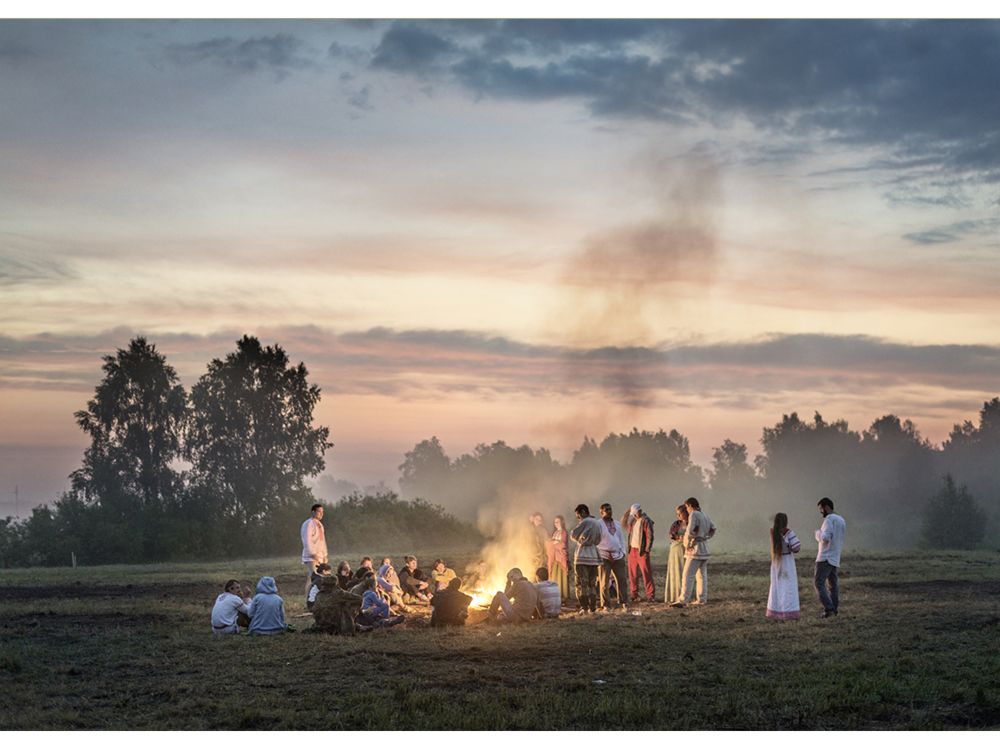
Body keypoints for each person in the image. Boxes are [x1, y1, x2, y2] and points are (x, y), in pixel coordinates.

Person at [671, 497, 717, 607]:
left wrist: (687, 544)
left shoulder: (694, 514)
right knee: (701, 576)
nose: (686, 510)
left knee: (687, 575)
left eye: (686, 507)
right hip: (704, 547)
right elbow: (713, 528)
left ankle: (683, 600)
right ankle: (701, 599)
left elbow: (690, 531)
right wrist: (706, 537)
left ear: (690, 506)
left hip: (695, 549)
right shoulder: (704, 514)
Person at [814, 497, 847, 618]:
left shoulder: (829, 519)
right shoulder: (841, 520)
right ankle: (834, 609)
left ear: (826, 507)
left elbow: (825, 538)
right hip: (835, 556)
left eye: (821, 509)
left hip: (825, 557)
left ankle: (829, 609)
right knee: (833, 585)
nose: (821, 512)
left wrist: (818, 534)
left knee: (819, 583)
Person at [766, 512, 802, 620]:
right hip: (787, 562)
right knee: (788, 587)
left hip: (776, 562)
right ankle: (788, 612)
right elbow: (797, 548)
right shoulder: (788, 532)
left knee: (776, 587)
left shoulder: (773, 532)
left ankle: (776, 611)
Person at [569, 504, 603, 614]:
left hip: (582, 556)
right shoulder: (597, 522)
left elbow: (573, 534)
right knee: (592, 584)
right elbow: (599, 539)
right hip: (594, 555)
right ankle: (593, 607)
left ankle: (584, 607)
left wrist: (581, 540)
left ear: (583, 512)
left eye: (578, 516)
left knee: (581, 583)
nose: (578, 518)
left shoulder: (585, 522)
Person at [597, 502, 630, 611]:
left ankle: (624, 602)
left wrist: (623, 553)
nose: (609, 511)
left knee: (622, 580)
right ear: (601, 513)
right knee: (604, 582)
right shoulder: (598, 524)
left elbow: (621, 538)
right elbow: (596, 540)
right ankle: (606, 605)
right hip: (604, 555)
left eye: (610, 509)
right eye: (606, 510)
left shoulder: (616, 523)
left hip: (617, 555)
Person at [624, 503, 655, 602]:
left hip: (641, 550)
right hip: (632, 550)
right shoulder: (633, 521)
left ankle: (650, 595)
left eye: (635, 513)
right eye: (633, 513)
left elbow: (650, 536)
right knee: (632, 574)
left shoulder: (646, 521)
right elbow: (624, 524)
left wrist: (647, 549)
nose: (634, 515)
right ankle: (634, 594)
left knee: (646, 573)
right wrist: (627, 513)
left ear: (640, 511)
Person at [300, 503, 328, 597]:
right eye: (319, 511)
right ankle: (308, 599)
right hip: (311, 556)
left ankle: (315, 598)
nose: (321, 514)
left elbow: (322, 541)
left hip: (319, 556)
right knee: (312, 577)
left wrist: (324, 555)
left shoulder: (320, 525)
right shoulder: (308, 524)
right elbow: (306, 539)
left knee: (318, 577)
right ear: (313, 512)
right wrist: (312, 553)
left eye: (322, 512)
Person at [665, 504, 688, 604]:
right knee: (675, 572)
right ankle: (674, 595)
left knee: (685, 572)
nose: (678, 516)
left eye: (680, 514)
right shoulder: (676, 524)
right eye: (677, 514)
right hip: (675, 550)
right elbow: (671, 534)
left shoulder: (691, 523)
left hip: (686, 550)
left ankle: (685, 594)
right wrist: (679, 538)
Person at [548, 516, 571, 602]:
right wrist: (553, 543)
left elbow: (563, 545)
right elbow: (550, 543)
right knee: (554, 576)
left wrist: (555, 544)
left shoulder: (564, 532)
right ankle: (555, 595)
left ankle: (563, 597)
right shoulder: (555, 532)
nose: (556, 524)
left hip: (561, 557)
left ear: (562, 522)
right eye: (555, 522)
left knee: (562, 577)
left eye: (558, 522)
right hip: (554, 558)